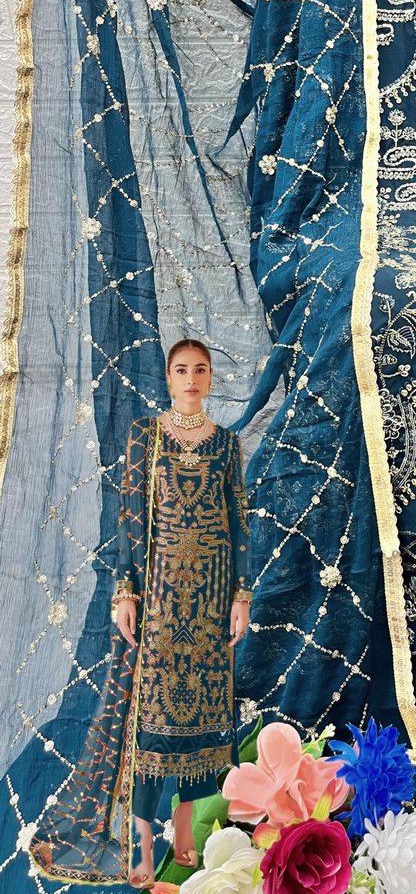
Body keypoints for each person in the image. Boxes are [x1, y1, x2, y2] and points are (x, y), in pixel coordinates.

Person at [30, 340, 252, 887]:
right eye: (182, 370)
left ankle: (186, 835)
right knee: (151, 728)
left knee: (201, 728)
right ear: (169, 379)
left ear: (211, 378)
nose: (192, 379)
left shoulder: (227, 446)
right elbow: (129, 519)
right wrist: (125, 592)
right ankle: (143, 848)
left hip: (210, 601)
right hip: (159, 601)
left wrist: (240, 597)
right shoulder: (144, 437)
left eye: (201, 370)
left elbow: (240, 524)